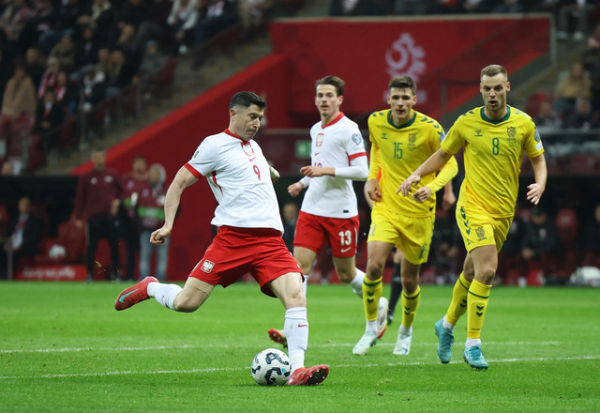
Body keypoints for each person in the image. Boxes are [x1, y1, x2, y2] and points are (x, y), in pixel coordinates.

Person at [114, 91, 329, 386]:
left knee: (296, 294)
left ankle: (297, 370)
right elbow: (178, 183)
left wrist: (268, 172)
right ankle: (151, 287)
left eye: (260, 118)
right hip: (233, 240)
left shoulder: (253, 146)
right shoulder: (214, 146)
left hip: (270, 242)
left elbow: (257, 173)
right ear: (234, 114)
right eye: (252, 116)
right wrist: (167, 224)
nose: (257, 123)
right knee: (186, 303)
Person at [399, 64, 547, 370]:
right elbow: (443, 154)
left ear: (507, 88)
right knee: (488, 270)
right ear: (480, 90)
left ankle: (446, 324)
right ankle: (473, 344)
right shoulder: (466, 123)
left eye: (497, 88)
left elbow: (538, 158)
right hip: (472, 205)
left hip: (503, 210)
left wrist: (541, 182)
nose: (491, 94)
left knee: (471, 272)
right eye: (486, 89)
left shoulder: (523, 123)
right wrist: (417, 173)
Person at [267, 75, 386, 351]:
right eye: (319, 95)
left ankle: (377, 302)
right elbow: (317, 164)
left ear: (340, 99)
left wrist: (324, 171)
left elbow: (361, 171)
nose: (323, 100)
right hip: (311, 209)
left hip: (341, 212)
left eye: (329, 95)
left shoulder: (349, 129)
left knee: (345, 273)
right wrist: (302, 182)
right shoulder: (315, 129)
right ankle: (292, 327)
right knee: (299, 268)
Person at [354, 76, 458, 356]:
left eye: (405, 98)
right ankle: (369, 328)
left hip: (418, 212)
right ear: (388, 99)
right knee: (374, 266)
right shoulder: (376, 121)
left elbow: (451, 165)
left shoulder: (430, 128)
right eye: (395, 98)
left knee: (409, 279)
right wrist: (371, 179)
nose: (400, 103)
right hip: (386, 206)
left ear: (414, 100)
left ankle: (406, 331)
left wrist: (434, 188)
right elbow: (377, 151)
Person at [73, 148, 123, 281]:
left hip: (110, 217)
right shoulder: (86, 177)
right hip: (93, 218)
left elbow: (123, 192)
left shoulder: (113, 174)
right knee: (91, 247)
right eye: (97, 157)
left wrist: (117, 202)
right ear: (92, 159)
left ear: (105, 158)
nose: (99, 159)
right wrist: (78, 217)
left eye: (101, 156)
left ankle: (116, 274)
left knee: (114, 246)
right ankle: (89, 274)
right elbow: (80, 198)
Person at [138, 162, 169, 281]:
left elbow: (177, 208)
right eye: (152, 174)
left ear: (162, 176)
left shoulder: (167, 191)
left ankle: (160, 282)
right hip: (145, 230)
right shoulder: (142, 190)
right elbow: (137, 209)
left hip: (162, 230)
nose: (154, 177)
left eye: (156, 174)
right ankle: (143, 282)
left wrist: (168, 224)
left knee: (162, 257)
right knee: (144, 257)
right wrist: (140, 225)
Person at [120, 155, 148, 281]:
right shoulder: (127, 179)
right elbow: (121, 196)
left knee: (144, 249)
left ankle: (144, 277)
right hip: (128, 220)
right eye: (136, 163)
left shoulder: (149, 181)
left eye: (141, 163)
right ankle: (129, 275)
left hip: (144, 222)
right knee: (129, 248)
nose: (139, 166)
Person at [3, 196, 43, 279]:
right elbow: (9, 234)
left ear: (30, 206)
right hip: (11, 245)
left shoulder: (35, 220)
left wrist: (20, 244)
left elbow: (35, 237)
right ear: (18, 206)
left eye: (27, 204)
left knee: (14, 254)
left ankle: (11, 276)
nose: (24, 206)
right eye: (22, 204)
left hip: (26, 246)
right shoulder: (14, 220)